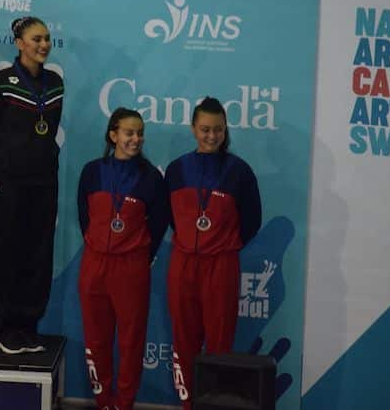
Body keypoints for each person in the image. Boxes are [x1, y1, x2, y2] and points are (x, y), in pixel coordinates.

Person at [164, 97, 262, 410]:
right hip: (183, 263)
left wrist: (223, 244)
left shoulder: (239, 171)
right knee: (184, 342)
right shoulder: (177, 169)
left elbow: (252, 219)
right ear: (193, 128)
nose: (211, 136)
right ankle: (188, 405)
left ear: (225, 130)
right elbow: (169, 216)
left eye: (218, 130)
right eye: (205, 129)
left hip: (221, 264)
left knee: (220, 345)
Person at [77, 108, 169, 410]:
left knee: (131, 342)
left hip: (131, 266)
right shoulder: (92, 172)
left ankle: (124, 404)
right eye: (130, 132)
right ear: (113, 135)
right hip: (95, 263)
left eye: (140, 133)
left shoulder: (152, 178)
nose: (136, 139)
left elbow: (158, 223)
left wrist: (143, 255)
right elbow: (84, 216)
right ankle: (103, 402)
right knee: (96, 339)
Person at [0, 16, 64, 354]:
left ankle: (29, 324)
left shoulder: (55, 82)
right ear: (19, 43)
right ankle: (6, 326)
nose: (43, 44)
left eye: (47, 38)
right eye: (36, 38)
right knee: (9, 253)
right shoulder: (1, 83)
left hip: (44, 182)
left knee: (38, 254)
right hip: (8, 181)